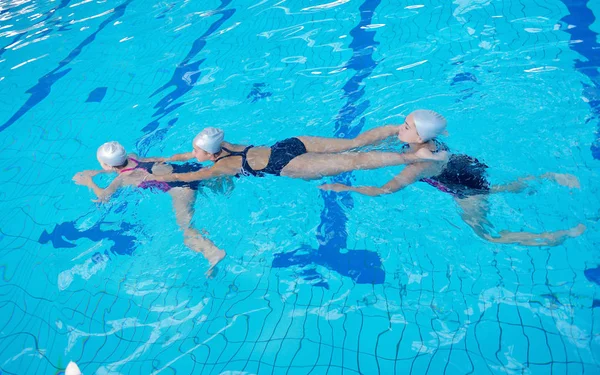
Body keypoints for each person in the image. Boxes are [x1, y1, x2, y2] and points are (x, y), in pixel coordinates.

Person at [319, 110, 586, 247]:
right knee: (499, 188)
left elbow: (386, 190)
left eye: (406, 127)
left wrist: (346, 188)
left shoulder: (419, 165)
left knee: (487, 235)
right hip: (464, 163)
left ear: (420, 138)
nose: (399, 128)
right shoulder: (425, 141)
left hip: (465, 188)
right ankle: (545, 177)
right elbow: (378, 135)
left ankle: (554, 236)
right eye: (404, 122)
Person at [72, 142, 228, 272]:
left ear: (107, 165)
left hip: (181, 189)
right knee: (210, 184)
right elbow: (123, 165)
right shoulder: (133, 156)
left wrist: (89, 181)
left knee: (185, 227)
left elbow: (103, 199)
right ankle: (221, 184)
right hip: (189, 170)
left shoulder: (121, 180)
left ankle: (213, 253)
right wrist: (100, 171)